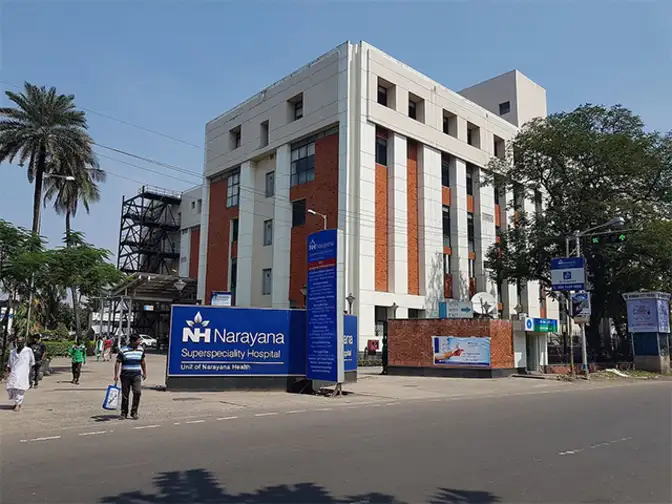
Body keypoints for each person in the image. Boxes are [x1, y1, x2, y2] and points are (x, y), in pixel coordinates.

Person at [114, 334, 146, 420]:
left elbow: (142, 361)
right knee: (125, 394)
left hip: (136, 375)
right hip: (125, 375)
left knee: (137, 392)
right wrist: (116, 375)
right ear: (133, 341)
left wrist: (144, 372)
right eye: (138, 340)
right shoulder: (123, 350)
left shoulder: (141, 349)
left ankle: (134, 412)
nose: (140, 342)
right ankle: (124, 413)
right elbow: (118, 362)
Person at [4, 337, 35, 411]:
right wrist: (7, 372)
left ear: (24, 342)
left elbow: (32, 362)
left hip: (23, 373)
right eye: (18, 342)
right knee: (13, 388)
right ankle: (17, 402)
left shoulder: (28, 350)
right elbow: (9, 363)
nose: (19, 343)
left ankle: (18, 404)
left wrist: (30, 373)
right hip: (14, 372)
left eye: (21, 342)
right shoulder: (13, 352)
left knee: (20, 389)